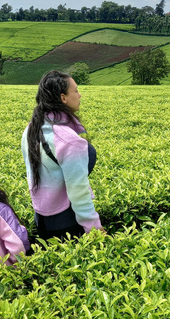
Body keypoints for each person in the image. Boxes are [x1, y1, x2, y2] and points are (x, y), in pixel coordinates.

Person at [21, 70, 104, 241]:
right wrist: (94, 227)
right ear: (63, 98)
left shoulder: (30, 129)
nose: (80, 95)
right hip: (67, 222)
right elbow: (78, 191)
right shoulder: (68, 140)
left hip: (41, 218)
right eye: (76, 90)